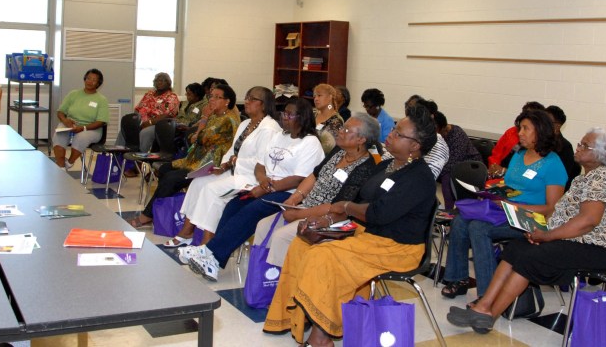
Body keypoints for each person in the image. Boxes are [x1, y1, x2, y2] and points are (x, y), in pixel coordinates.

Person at [262, 104, 438, 346]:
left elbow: (377, 213)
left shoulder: (419, 178)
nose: (390, 134)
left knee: (324, 256)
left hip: (397, 247)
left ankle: (321, 335)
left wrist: (344, 208)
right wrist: (330, 220)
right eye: (394, 129)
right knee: (302, 245)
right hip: (367, 234)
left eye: (398, 133)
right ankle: (293, 318)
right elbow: (365, 200)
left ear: (415, 146)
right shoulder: (389, 165)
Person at [447, 127, 606, 334]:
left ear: (601, 155)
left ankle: (489, 315)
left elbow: (588, 221)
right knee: (515, 248)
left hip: (592, 247)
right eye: (580, 143)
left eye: (585, 146)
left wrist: (547, 236)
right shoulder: (583, 179)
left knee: (529, 257)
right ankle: (483, 305)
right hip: (570, 238)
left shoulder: (601, 178)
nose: (578, 148)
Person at [182, 97, 325, 280]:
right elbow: (260, 164)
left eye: (290, 114)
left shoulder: (310, 143)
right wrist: (262, 179)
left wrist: (267, 188)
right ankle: (213, 256)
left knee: (253, 210)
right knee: (234, 204)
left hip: (290, 194)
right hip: (266, 185)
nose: (284, 117)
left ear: (303, 117)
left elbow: (300, 178)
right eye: (283, 113)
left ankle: (211, 254)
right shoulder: (280, 135)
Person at [441, 109, 567, 301]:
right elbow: (509, 185)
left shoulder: (553, 164)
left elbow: (552, 208)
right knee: (460, 221)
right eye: (520, 128)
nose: (520, 133)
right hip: (503, 211)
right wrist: (494, 195)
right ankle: (459, 279)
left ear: (540, 131)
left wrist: (511, 205)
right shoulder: (519, 155)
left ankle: (488, 293)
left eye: (526, 129)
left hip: (530, 219)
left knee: (478, 228)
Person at [249, 112, 380, 268]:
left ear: (361, 139)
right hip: (305, 207)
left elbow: (337, 206)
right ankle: (261, 278)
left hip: (328, 218)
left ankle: (282, 283)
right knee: (263, 225)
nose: (340, 131)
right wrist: (295, 198)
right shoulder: (338, 151)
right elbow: (314, 175)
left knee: (281, 236)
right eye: (343, 127)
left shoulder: (365, 168)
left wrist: (298, 214)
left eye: (346, 130)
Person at [160, 86, 282, 246]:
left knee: (212, 190)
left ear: (264, 104)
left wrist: (235, 162)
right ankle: (187, 231)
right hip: (234, 171)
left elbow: (262, 162)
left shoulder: (269, 129)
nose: (246, 101)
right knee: (198, 183)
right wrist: (223, 166)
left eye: (252, 99)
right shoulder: (245, 123)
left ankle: (207, 243)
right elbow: (232, 149)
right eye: (246, 97)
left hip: (251, 177)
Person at [128, 85, 239, 228]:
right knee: (164, 169)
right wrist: (199, 131)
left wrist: (203, 119)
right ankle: (165, 211)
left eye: (218, 97)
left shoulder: (228, 119)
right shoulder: (215, 115)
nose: (212, 100)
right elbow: (195, 137)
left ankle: (147, 216)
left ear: (227, 101)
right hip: (196, 159)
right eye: (211, 96)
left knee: (171, 178)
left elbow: (202, 138)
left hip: (210, 164)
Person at [119, 72, 179, 177]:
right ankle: (117, 160)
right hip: (142, 122)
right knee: (125, 129)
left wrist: (150, 122)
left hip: (159, 125)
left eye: (162, 80)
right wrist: (136, 122)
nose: (159, 82)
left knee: (145, 133)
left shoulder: (171, 96)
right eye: (157, 80)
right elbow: (138, 109)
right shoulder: (149, 94)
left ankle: (137, 165)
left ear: (168, 83)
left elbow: (167, 114)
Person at [51, 69, 109, 170]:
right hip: (69, 125)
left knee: (81, 137)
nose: (90, 81)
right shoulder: (73, 94)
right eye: (88, 78)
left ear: (98, 84)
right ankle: (61, 167)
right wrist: (65, 120)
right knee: (59, 134)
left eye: (94, 80)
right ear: (84, 79)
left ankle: (69, 162)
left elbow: (101, 121)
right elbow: (60, 111)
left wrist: (82, 128)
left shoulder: (101, 100)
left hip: (90, 129)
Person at [434, 111, 483, 209]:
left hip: (470, 166)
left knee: (446, 177)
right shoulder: (439, 135)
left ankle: (448, 210)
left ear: (443, 128)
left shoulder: (457, 134)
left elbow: (453, 163)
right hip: (451, 165)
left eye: (437, 131)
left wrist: (435, 170)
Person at [487, 101, 546, 177]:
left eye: (526, 128)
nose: (520, 133)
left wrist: (504, 171)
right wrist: (494, 168)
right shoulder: (511, 132)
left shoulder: (545, 152)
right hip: (500, 176)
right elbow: (496, 154)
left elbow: (529, 177)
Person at [546, 105, 580, 188]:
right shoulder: (535, 143)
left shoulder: (565, 147)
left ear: (557, 126)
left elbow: (559, 179)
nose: (541, 124)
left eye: (546, 122)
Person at [313, 83, 344, 154]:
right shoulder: (313, 114)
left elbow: (329, 146)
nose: (316, 99)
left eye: (319, 95)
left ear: (330, 97)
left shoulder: (336, 121)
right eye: (314, 96)